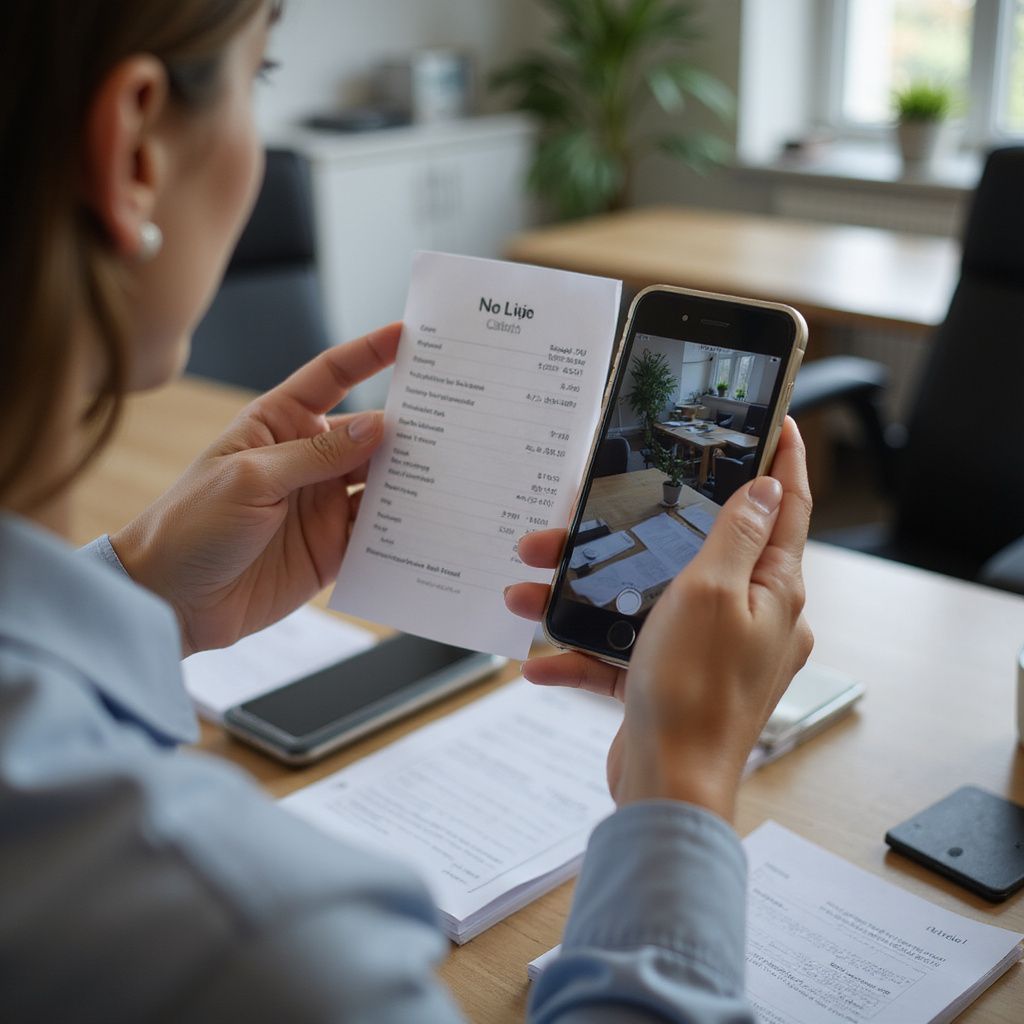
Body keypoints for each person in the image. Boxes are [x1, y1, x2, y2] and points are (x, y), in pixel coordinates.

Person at [0, 2, 813, 1021]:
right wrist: (683, 780)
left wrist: (145, 593)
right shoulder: (254, 943)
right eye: (263, 77)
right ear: (135, 150)